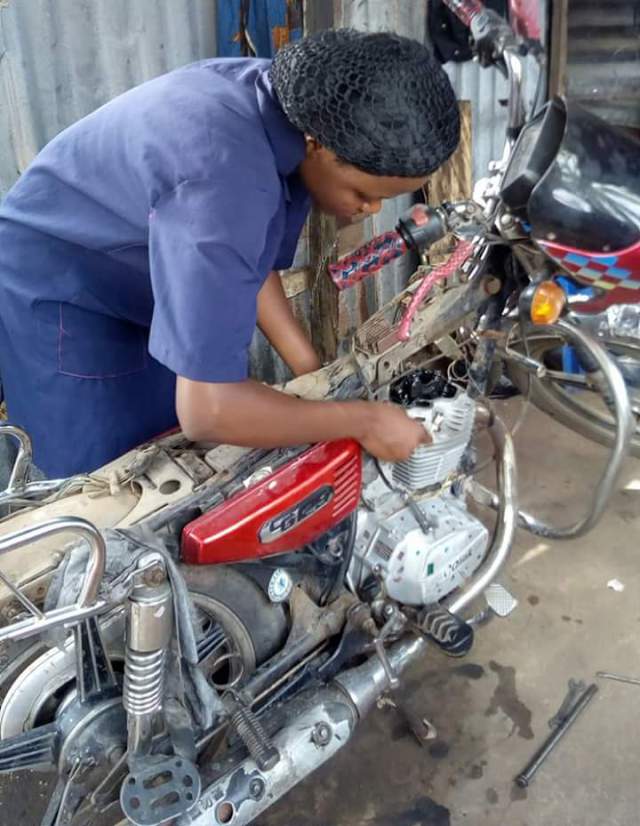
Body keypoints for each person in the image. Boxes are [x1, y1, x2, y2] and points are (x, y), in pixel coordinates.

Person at [0, 28, 460, 480]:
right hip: (59, 286)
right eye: (363, 192)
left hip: (129, 270)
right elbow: (209, 408)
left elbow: (248, 263)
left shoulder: (293, 110)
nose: (370, 210)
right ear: (319, 144)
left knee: (166, 439)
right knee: (108, 489)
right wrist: (363, 419)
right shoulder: (226, 180)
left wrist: (312, 373)